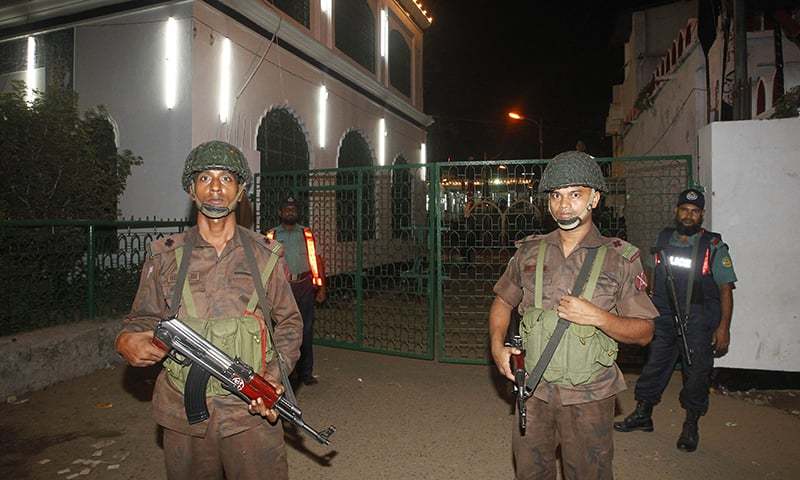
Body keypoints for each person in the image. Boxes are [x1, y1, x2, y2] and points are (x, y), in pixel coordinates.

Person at [115, 140, 303, 479]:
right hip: (183, 418)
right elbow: (141, 319)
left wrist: (273, 379)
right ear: (191, 190)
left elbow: (289, 323)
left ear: (241, 191)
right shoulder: (164, 256)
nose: (215, 187)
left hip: (250, 415)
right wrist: (127, 341)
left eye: (226, 178)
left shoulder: (266, 254)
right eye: (204, 178)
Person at [489, 150, 658, 480]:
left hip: (589, 397)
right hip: (534, 390)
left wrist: (599, 317)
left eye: (575, 195)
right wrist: (497, 347)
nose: (564, 205)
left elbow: (645, 332)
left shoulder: (619, 259)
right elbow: (502, 301)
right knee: (530, 472)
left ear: (594, 198)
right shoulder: (529, 251)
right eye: (556, 195)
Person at [614, 188, 736, 453]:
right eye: (684, 210)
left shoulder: (713, 246)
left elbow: (726, 289)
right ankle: (643, 414)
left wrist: (723, 328)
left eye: (694, 211)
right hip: (665, 315)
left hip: (699, 318)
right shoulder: (664, 239)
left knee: (696, 372)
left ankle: (691, 425)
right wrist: (645, 304)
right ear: (676, 211)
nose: (689, 215)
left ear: (701, 215)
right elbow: (651, 274)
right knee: (655, 365)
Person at [266, 196, 326, 386]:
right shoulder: (271, 236)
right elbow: (265, 265)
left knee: (306, 330)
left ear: (297, 213)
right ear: (280, 213)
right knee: (282, 331)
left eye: (293, 209)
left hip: (305, 286)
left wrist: (322, 287)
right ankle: (285, 372)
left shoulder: (306, 234)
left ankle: (305, 373)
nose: (290, 212)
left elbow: (317, 260)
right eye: (286, 209)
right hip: (282, 289)